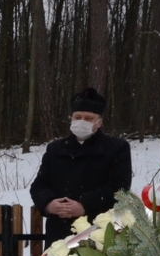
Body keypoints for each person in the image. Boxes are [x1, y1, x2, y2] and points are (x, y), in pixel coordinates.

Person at [30, 88, 132, 244]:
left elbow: (119, 188)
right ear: (71, 119)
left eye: (88, 118)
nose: (82, 121)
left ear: (99, 123)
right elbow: (39, 185)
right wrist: (49, 204)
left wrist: (85, 204)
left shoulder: (116, 148)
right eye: (78, 117)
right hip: (58, 233)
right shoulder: (55, 149)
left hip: (98, 232)